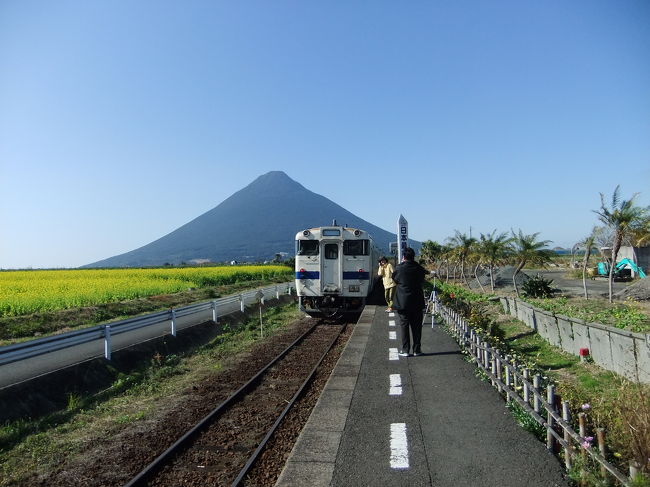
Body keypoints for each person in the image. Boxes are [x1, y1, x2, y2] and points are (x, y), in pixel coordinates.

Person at [392, 247, 426, 357]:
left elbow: (395, 279)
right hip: (417, 301)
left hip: (403, 302)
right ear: (413, 256)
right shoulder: (419, 268)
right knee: (417, 327)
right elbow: (422, 280)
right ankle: (417, 350)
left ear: (403, 257)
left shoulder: (399, 268)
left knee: (404, 326)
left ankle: (405, 350)